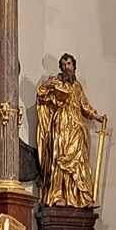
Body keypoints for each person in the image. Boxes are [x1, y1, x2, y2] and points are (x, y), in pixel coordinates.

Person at [36, 53, 106, 208]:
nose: (67, 67)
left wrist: (97, 117)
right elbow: (41, 95)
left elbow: (84, 106)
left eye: (69, 63)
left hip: (76, 126)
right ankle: (58, 195)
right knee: (60, 157)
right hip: (61, 124)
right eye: (64, 64)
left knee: (79, 160)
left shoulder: (77, 86)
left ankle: (81, 197)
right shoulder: (56, 82)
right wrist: (47, 84)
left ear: (74, 66)